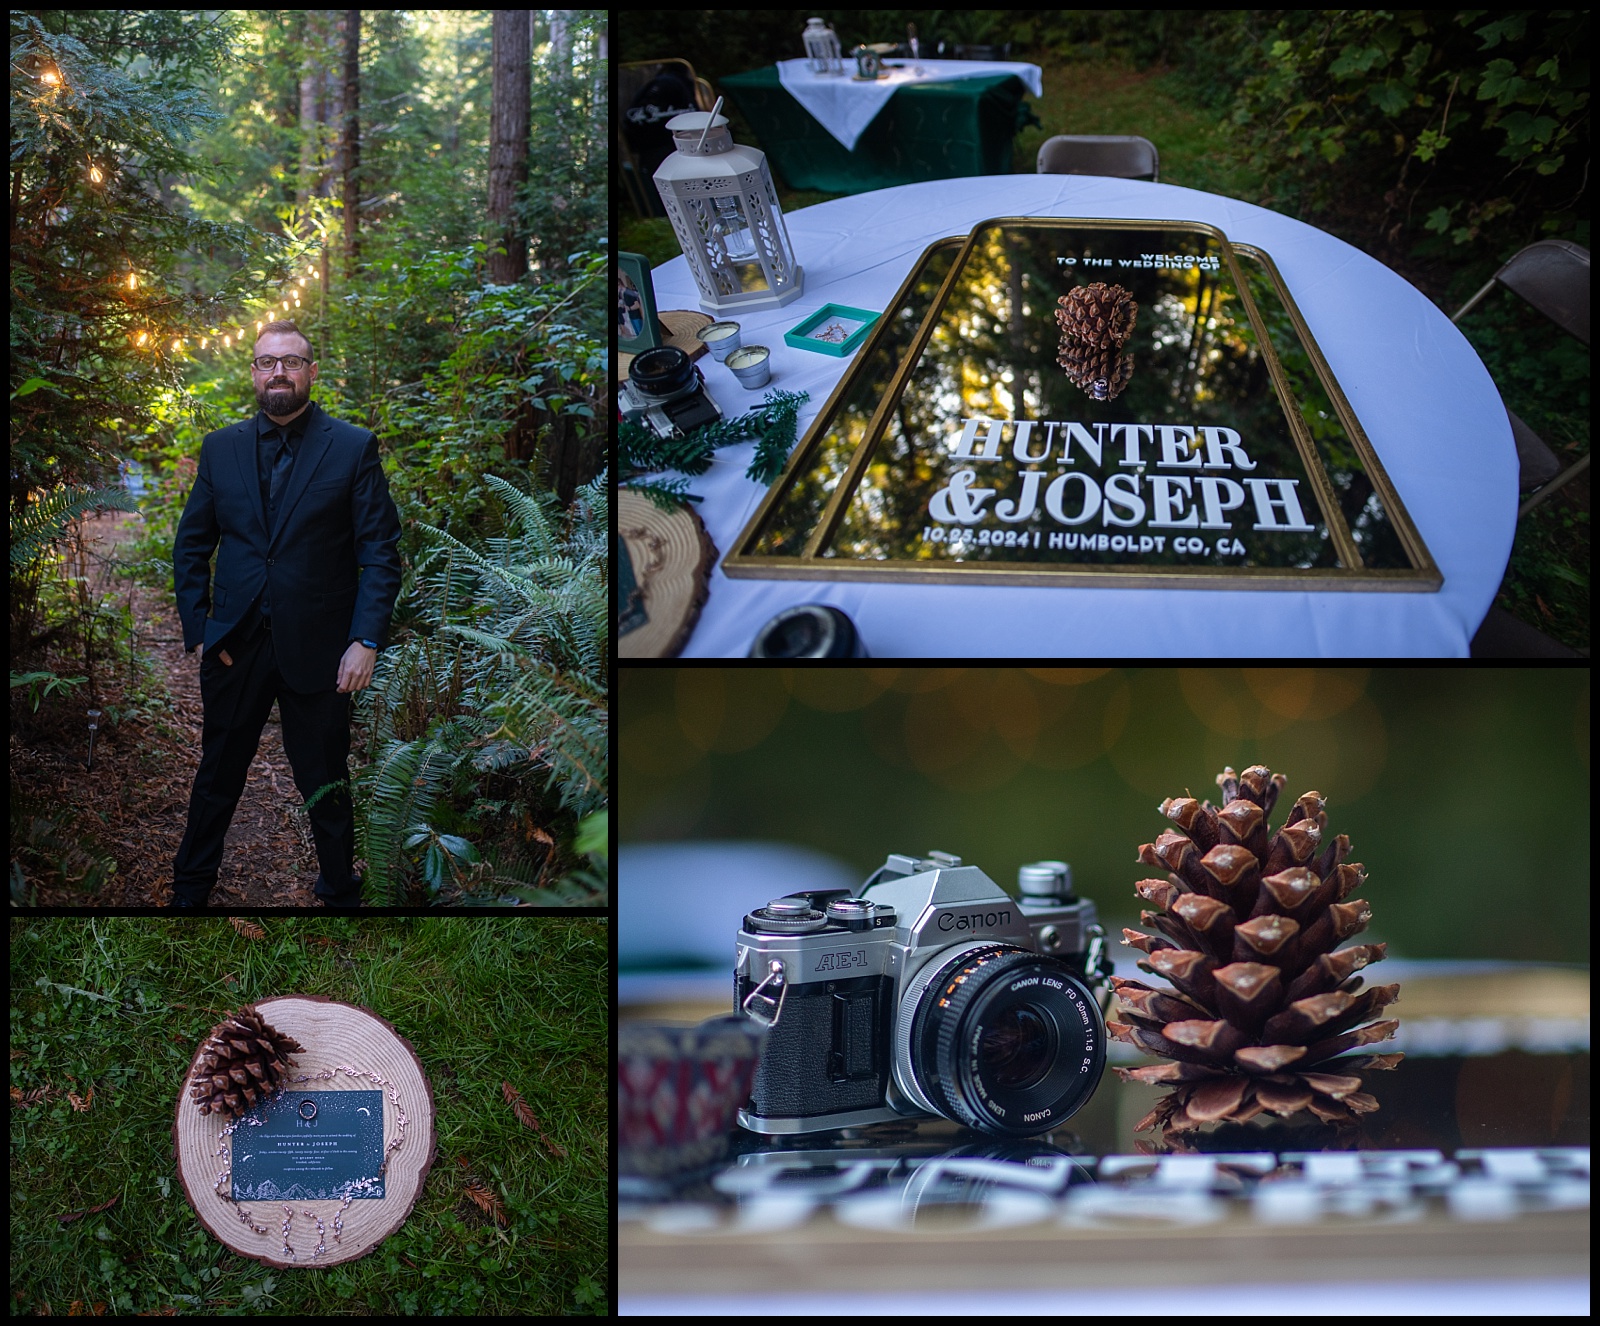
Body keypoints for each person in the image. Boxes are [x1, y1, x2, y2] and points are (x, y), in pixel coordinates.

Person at [170, 320, 402, 910]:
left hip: (322, 653)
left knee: (325, 781)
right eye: (267, 362)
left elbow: (378, 553)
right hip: (234, 645)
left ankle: (339, 891)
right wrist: (200, 632)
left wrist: (365, 641)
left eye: (291, 362)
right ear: (253, 372)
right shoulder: (220, 449)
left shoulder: (351, 447)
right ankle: (190, 890)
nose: (279, 372)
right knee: (218, 775)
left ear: (311, 373)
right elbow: (192, 544)